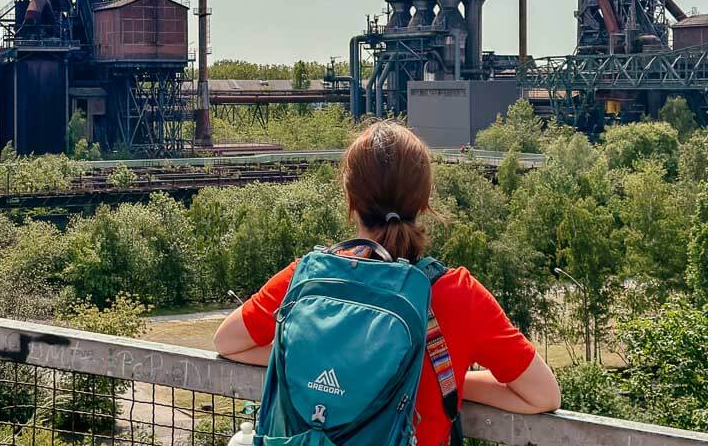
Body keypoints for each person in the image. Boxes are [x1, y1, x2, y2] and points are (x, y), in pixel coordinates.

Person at [214, 120, 560, 446]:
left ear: (351, 200)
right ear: (424, 202)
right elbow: (543, 395)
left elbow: (228, 342)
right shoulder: (457, 295)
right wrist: (449, 381)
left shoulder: (308, 279)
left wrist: (322, 363)